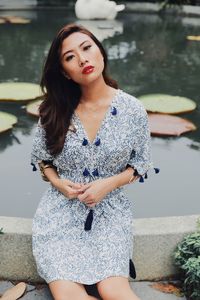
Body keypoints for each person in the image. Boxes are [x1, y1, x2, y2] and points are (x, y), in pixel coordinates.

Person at [30, 23, 159, 300]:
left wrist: (107, 185)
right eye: (70, 57)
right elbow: (43, 160)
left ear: (100, 52)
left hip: (110, 214)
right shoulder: (53, 110)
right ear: (65, 71)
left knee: (114, 291)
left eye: (87, 48)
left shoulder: (132, 110)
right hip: (60, 215)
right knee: (68, 296)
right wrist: (59, 183)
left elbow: (140, 165)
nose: (82, 59)